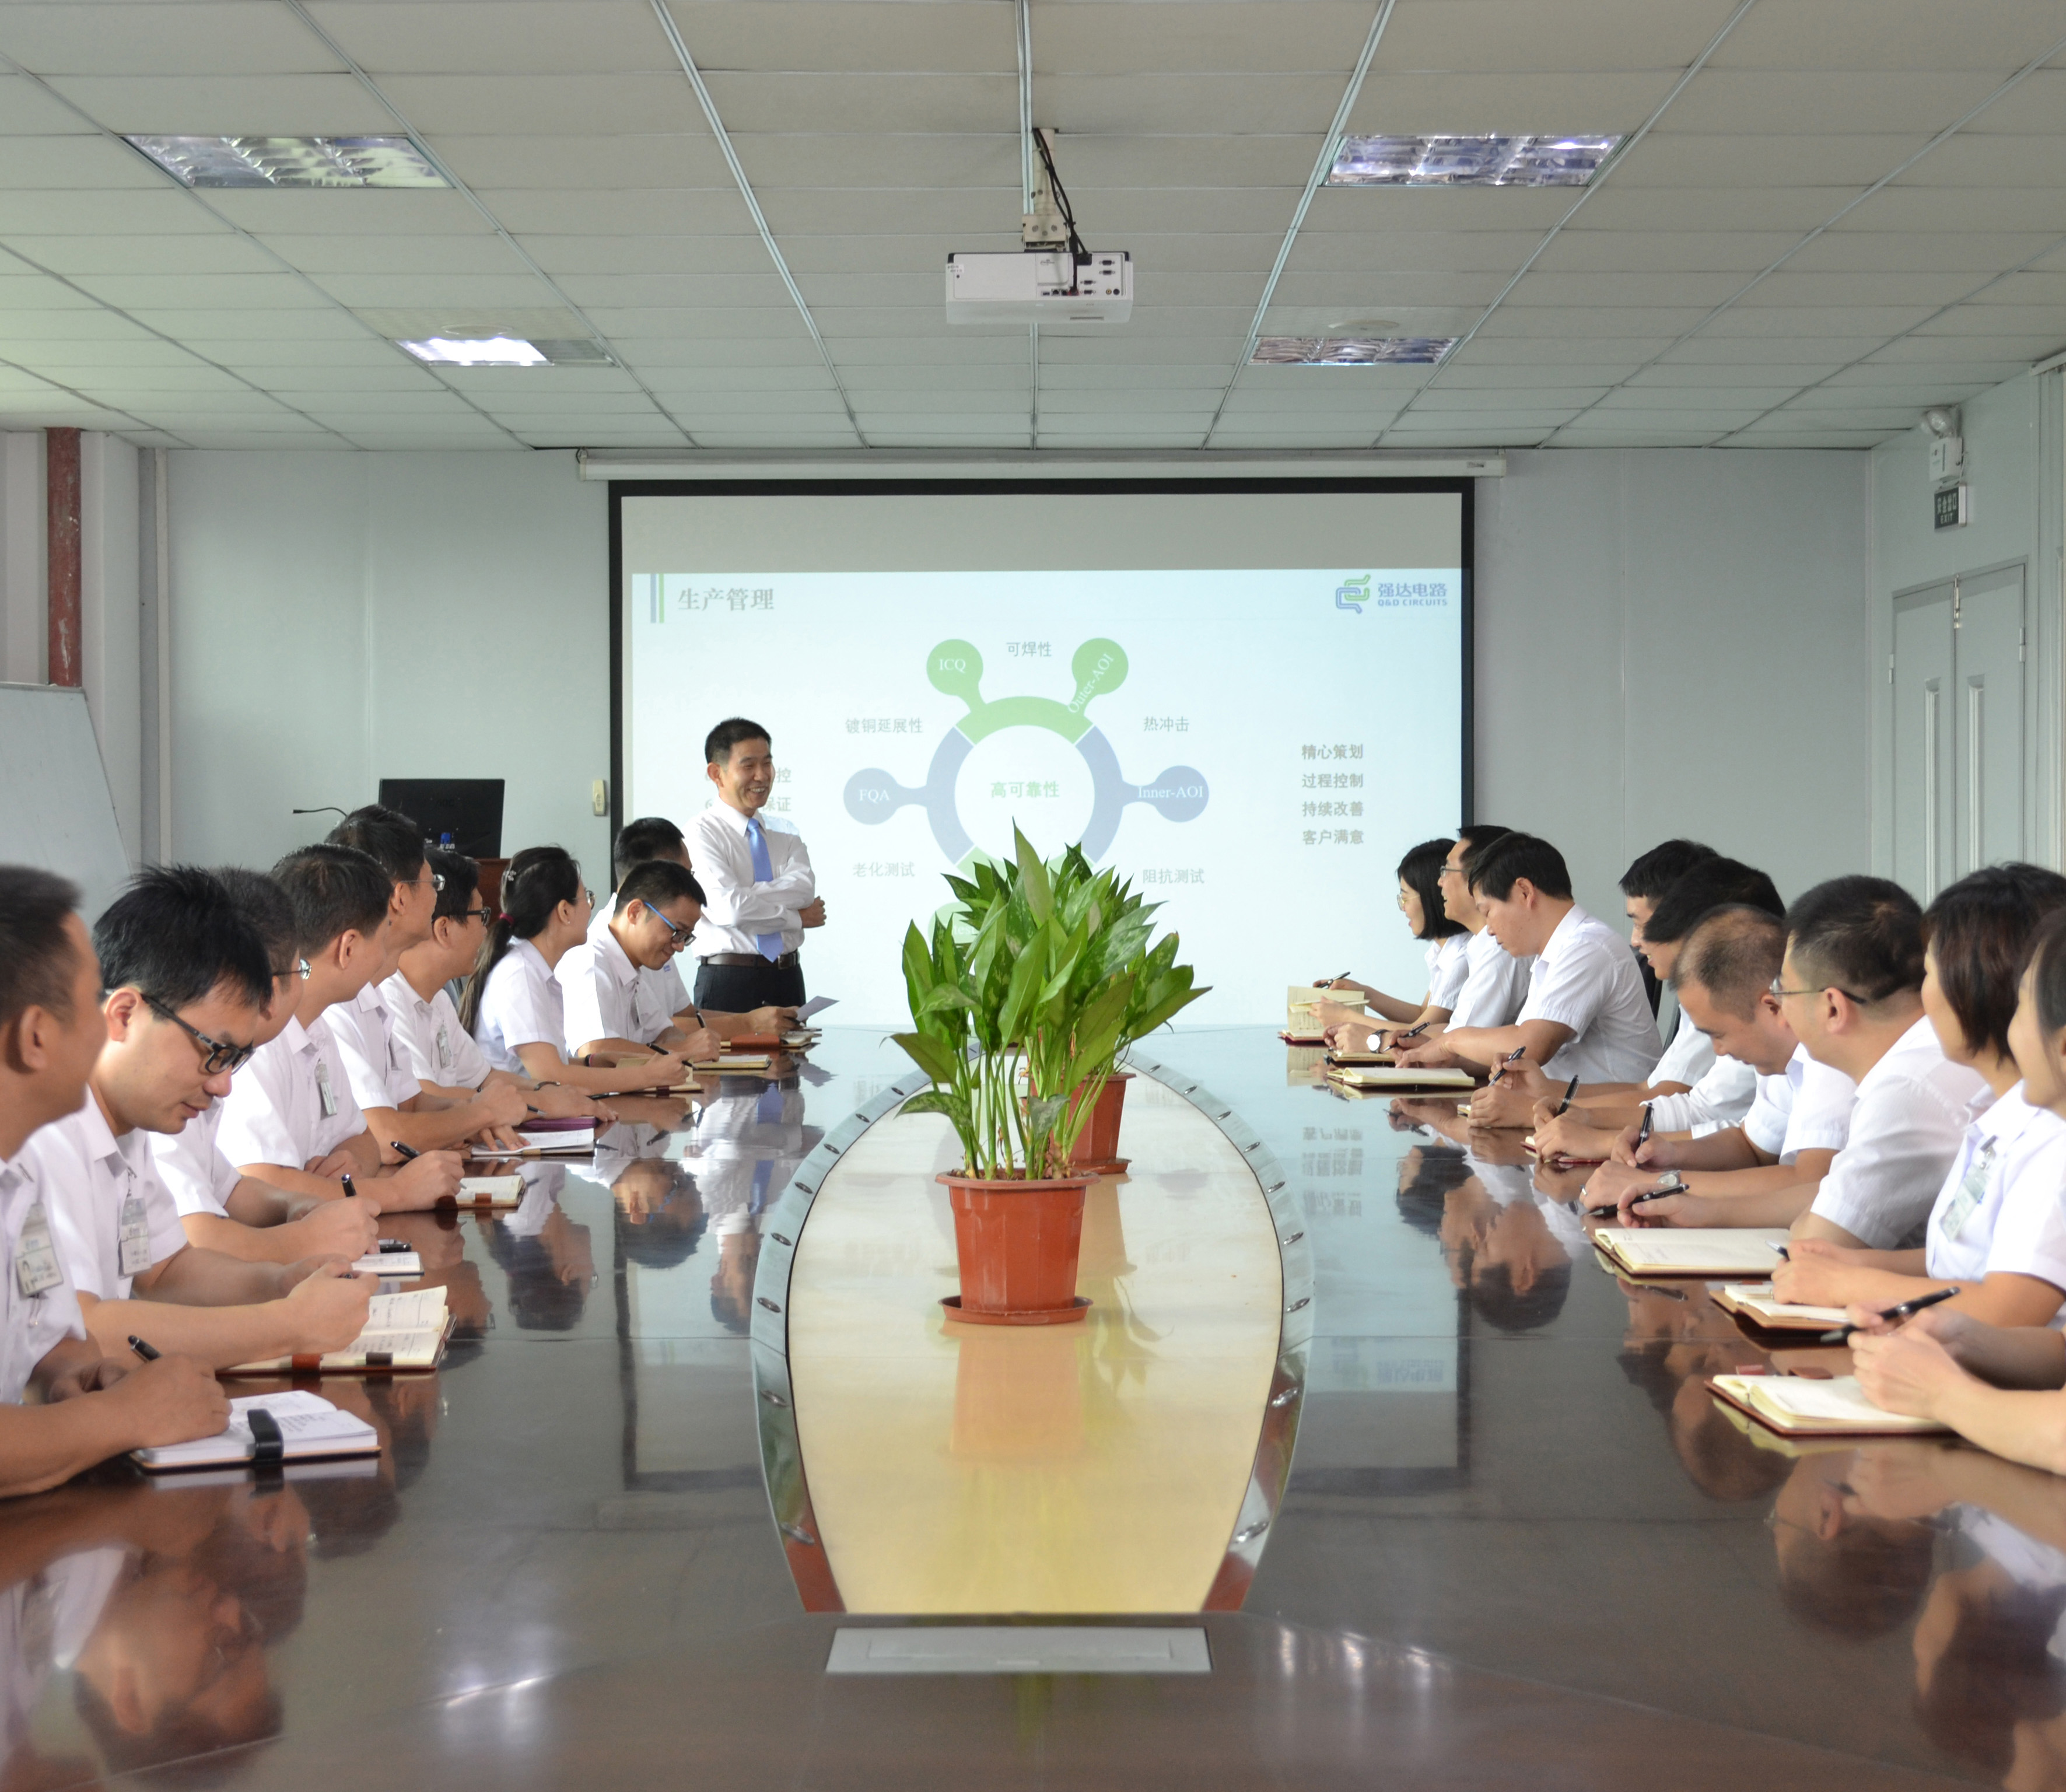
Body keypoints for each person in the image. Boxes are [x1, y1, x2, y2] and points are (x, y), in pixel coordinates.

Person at [27, 866, 376, 1371]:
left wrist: (279, 1282)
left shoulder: (128, 1122)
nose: (223, 1085)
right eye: (215, 1052)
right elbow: (78, 1331)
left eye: (236, 1060)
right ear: (125, 1015)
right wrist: (286, 1325)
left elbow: (167, 1271)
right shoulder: (45, 1128)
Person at [0, 866, 227, 1498]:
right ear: (36, 1036)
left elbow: (44, 1339)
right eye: (89, 1006)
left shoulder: (17, 1167)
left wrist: (76, 1376)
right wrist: (125, 1417)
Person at [1776, 871, 2066, 1324]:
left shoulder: (2048, 1132)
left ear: (1974, 988)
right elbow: (1967, 1260)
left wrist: (1848, 1283)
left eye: (1927, 975)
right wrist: (1857, 1265)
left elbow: (2009, 1307)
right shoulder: (1997, 1111)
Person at [152, 868, 381, 1267]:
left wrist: (299, 1206)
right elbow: (199, 1239)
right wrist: (305, 1240)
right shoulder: (168, 1086)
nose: (224, 1085)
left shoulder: (205, 1061)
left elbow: (231, 1189)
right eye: (299, 970)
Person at [217, 845, 463, 1208]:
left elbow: (365, 1141)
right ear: (348, 948)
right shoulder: (260, 1041)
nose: (385, 957)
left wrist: (347, 1170)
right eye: (382, 939)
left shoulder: (317, 1028)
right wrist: (397, 1192)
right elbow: (262, 1182)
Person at [1583, 904, 1852, 1220]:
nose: (1719, 1051)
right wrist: (1670, 1153)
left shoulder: (1829, 1059)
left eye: (1719, 1035)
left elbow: (1809, 1183)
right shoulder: (1779, 1061)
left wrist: (1659, 1184)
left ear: (1772, 1007)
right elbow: (1752, 1146)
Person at [1780, 876, 1988, 1248]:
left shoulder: (1907, 1087)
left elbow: (1821, 1242)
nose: (1779, 1007)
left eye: (1783, 989)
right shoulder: (1926, 1059)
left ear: (1833, 1007)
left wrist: (1804, 1222)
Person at [1528, 856, 1780, 1160]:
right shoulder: (1744, 1013)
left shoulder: (1752, 1013)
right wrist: (1582, 1116)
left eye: (1645, 925)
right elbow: (1739, 1136)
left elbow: (1707, 1116)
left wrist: (1603, 1139)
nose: (1636, 940)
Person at [323, 807, 529, 1154]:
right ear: (401, 897)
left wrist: (478, 1110)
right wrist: (481, 1113)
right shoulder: (341, 1002)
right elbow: (389, 1139)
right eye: (434, 884)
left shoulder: (374, 994)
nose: (437, 897)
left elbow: (413, 1103)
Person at [1396, 832, 1661, 1100]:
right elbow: (1518, 1054)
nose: (1489, 929)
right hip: (1565, 1109)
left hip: (1611, 1115)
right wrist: (1443, 1058)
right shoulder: (1550, 955)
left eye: (1488, 912)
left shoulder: (1587, 947)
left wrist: (1449, 1043)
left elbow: (1530, 1046)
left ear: (1525, 892)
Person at [380, 847, 602, 1122]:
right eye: (481, 916)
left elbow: (485, 1078)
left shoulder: (438, 999)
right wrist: (540, 1101)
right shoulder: (390, 1000)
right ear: (444, 930)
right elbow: (426, 1098)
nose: (485, 930)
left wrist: (548, 1091)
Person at [461, 846, 687, 1097]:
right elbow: (551, 1077)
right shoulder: (520, 973)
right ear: (565, 911)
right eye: (587, 898)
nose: (590, 909)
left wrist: (593, 1062)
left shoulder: (533, 968)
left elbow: (551, 1065)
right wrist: (648, 1076)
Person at [1331, 825, 1532, 1057]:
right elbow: (1443, 1031)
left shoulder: (1496, 950)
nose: (1440, 883)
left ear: (1477, 879)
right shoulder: (1478, 947)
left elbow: (1452, 1043)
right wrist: (1366, 1002)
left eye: (1446, 872)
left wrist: (1368, 1036)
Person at [689, 718, 824, 1013]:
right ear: (716, 774)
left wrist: (746, 895)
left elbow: (803, 892)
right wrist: (796, 918)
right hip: (728, 981)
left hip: (788, 977)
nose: (762, 776)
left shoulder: (785, 832)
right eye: (749, 766)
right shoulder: (700, 834)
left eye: (767, 763)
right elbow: (730, 910)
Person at [557, 858, 722, 1062]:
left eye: (685, 937)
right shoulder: (590, 964)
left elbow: (666, 1031)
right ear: (635, 912)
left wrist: (679, 1046)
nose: (679, 947)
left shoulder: (632, 970)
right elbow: (595, 1050)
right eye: (676, 931)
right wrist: (681, 1050)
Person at [1313, 838, 1466, 1029]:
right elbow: (1422, 1014)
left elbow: (1419, 1032)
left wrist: (1345, 1016)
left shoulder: (1462, 957)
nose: (1403, 908)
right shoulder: (1443, 951)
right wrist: (1364, 993)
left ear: (1431, 896)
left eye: (1405, 898)